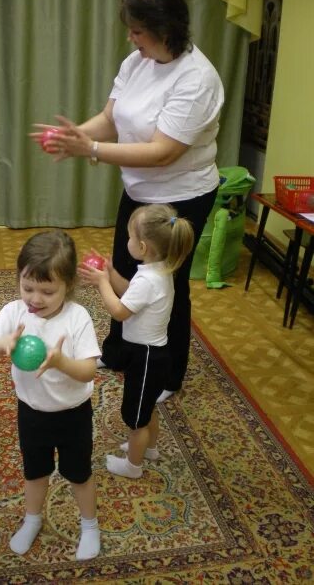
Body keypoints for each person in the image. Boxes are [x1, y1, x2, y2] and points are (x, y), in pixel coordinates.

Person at [31, 0, 224, 398]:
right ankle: (119, 352)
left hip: (181, 196)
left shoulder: (197, 79)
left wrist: (91, 150)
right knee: (124, 268)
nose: (130, 39)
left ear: (164, 30)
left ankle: (166, 373)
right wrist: (75, 136)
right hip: (138, 190)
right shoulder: (138, 61)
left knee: (165, 285)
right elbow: (109, 117)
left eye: (137, 31)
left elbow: (163, 151)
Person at [0, 230, 101, 561]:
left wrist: (60, 362)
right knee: (35, 471)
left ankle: (90, 526)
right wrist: (1, 344)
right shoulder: (14, 313)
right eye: (27, 287)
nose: (35, 298)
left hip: (73, 414)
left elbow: (89, 371)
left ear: (68, 285)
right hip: (31, 412)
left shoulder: (77, 318)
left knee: (79, 473)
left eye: (47, 291)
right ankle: (32, 519)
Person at [80, 203, 193, 478]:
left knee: (136, 418)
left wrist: (102, 284)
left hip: (145, 357)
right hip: (152, 354)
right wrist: (110, 273)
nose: (126, 241)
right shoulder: (158, 271)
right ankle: (149, 449)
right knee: (147, 406)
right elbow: (131, 293)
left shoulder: (149, 279)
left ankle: (133, 465)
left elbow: (119, 310)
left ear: (142, 247)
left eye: (130, 237)